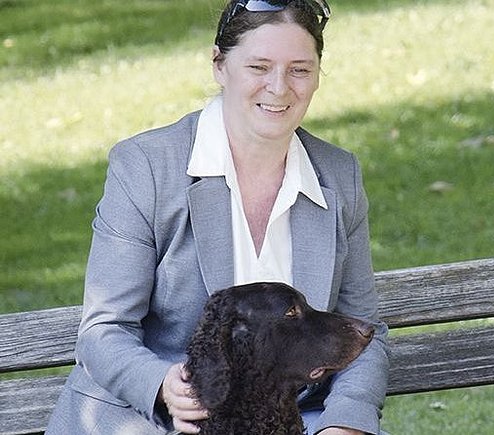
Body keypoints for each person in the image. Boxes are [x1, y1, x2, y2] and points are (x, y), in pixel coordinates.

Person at [46, 0, 389, 434]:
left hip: (299, 420)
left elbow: (364, 330)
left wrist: (344, 422)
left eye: (300, 70)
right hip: (153, 418)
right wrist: (162, 386)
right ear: (219, 65)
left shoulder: (339, 175)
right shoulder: (147, 167)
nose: (279, 88)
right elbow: (104, 329)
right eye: (259, 67)